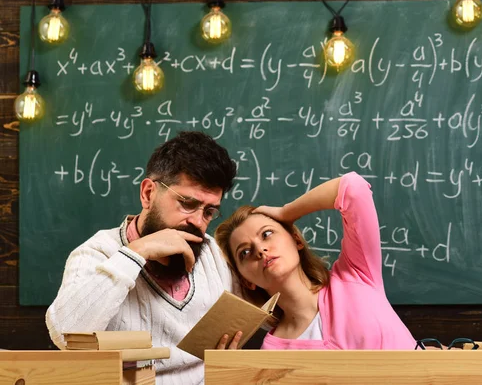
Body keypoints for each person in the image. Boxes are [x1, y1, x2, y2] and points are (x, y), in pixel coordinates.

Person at [46, 131, 239, 384]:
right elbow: (64, 335)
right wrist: (136, 253)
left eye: (209, 211)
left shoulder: (211, 253)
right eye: (187, 204)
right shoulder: (97, 253)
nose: (197, 222)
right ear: (148, 193)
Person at [214, 171, 416, 350]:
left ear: (296, 240)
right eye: (245, 253)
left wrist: (286, 212)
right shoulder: (272, 351)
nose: (260, 249)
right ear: (246, 280)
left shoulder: (356, 273)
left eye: (267, 234)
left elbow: (353, 188)